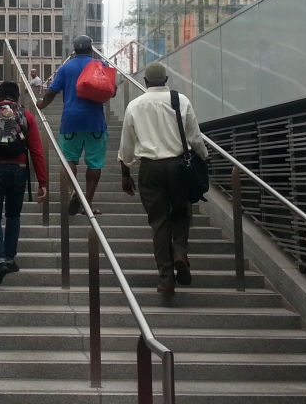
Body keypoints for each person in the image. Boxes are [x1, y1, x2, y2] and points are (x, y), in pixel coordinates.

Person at [118, 62, 208, 293]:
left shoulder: (135, 105)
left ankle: (166, 280)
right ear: (166, 80)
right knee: (181, 212)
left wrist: (126, 173)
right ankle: (180, 251)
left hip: (150, 168)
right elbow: (195, 137)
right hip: (179, 165)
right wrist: (203, 157)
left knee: (159, 223)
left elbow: (127, 144)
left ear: (146, 82)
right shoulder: (181, 101)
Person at [0, 81, 49, 287]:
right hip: (19, 169)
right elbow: (37, 150)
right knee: (14, 215)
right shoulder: (26, 115)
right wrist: (42, 181)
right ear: (18, 97)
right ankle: (10, 259)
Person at [36, 35, 115, 216]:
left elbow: (51, 93)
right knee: (95, 163)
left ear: (74, 49)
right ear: (90, 49)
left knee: (69, 159)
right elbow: (113, 91)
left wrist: (41, 105)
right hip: (96, 121)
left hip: (71, 120)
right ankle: (87, 204)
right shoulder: (100, 65)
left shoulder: (66, 67)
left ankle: (74, 191)